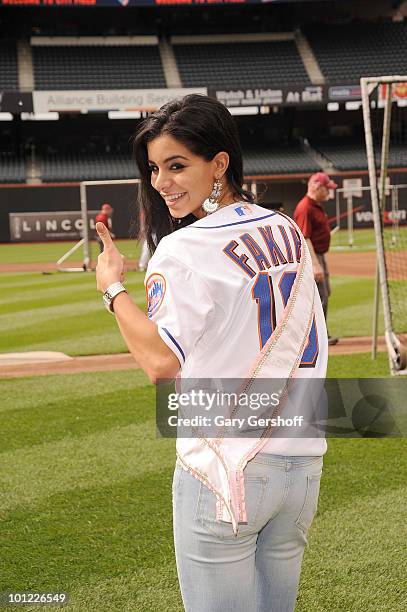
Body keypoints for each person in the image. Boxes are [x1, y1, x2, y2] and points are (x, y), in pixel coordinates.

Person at [95, 94, 328, 612]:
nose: (161, 182)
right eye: (155, 168)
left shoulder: (183, 248)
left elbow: (160, 363)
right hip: (302, 466)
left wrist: (113, 290)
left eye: (177, 165)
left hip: (225, 472)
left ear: (219, 163)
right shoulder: (286, 227)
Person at [294, 172, 339, 346]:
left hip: (319, 256)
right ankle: (317, 337)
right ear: (317, 187)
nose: (329, 192)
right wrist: (315, 264)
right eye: (326, 188)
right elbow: (305, 238)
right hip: (313, 257)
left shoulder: (314, 205)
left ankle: (321, 334)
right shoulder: (305, 207)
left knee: (324, 294)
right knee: (320, 297)